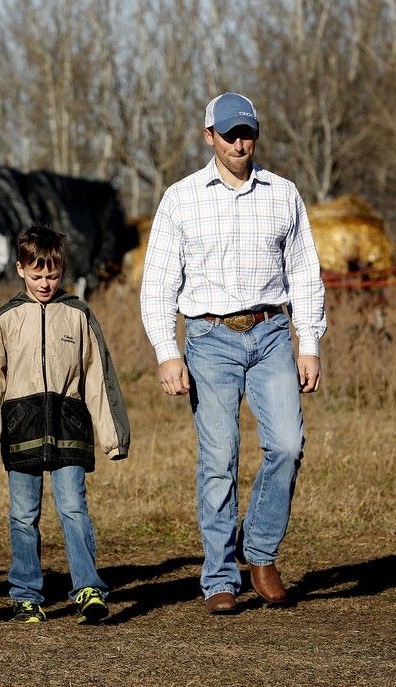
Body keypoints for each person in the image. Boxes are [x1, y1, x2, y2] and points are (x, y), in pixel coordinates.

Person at [139, 92, 326, 614]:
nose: (239, 144)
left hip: (270, 332)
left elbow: (304, 273)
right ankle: (220, 575)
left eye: (247, 134)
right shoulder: (181, 199)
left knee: (287, 445)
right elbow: (158, 283)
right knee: (219, 459)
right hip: (209, 337)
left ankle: (260, 552)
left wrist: (309, 343)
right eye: (229, 135)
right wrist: (166, 351)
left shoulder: (283, 194)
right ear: (209, 137)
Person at [0, 225, 130, 624]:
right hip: (21, 430)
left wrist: (113, 437)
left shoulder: (79, 314)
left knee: (74, 508)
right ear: (20, 269)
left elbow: (98, 377)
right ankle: (26, 595)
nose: (45, 283)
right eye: (37, 275)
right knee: (23, 515)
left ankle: (88, 589)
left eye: (53, 275)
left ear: (62, 270)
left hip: (69, 428)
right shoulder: (6, 319)